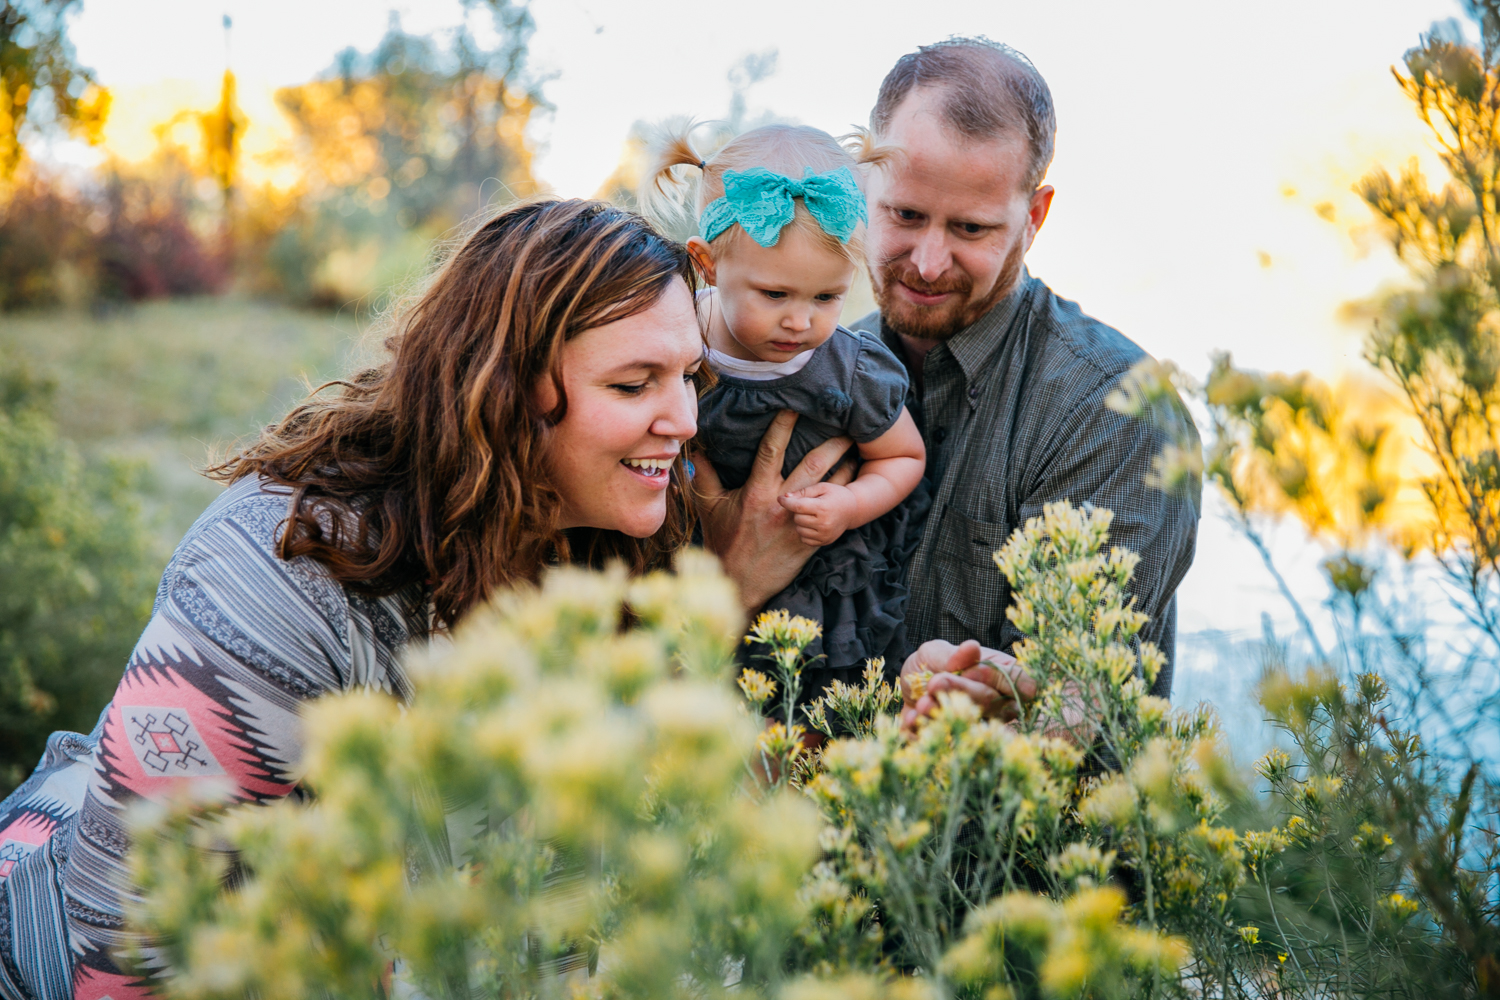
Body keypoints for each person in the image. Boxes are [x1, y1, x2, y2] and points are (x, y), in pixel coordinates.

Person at [0, 199, 724, 1000]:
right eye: (634, 384)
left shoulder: (606, 549)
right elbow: (130, 940)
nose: (684, 420)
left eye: (689, 375)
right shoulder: (285, 565)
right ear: (502, 391)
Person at [697, 38, 1201, 728]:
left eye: (970, 227)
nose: (928, 263)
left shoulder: (1114, 412)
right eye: (905, 216)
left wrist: (986, 707)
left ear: (1035, 216)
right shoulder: (799, 360)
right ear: (865, 190)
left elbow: (1084, 716)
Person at [649, 124, 929, 711]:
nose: (801, 323)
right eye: (775, 295)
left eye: (827, 298)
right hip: (688, 562)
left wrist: (849, 505)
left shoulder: (846, 370)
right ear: (706, 264)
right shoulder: (675, 341)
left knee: (800, 710)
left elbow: (903, 455)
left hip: (814, 576)